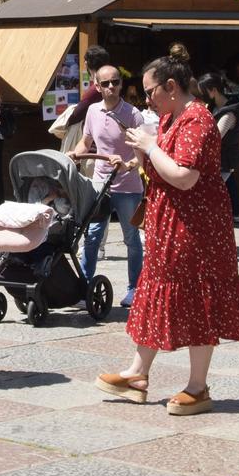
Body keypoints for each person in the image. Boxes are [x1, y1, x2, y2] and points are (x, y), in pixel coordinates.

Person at [95, 55, 239, 417]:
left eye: (150, 90)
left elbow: (185, 176)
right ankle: (137, 374)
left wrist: (151, 147)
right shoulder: (171, 117)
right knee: (155, 288)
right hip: (172, 222)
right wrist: (139, 154)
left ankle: (198, 388)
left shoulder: (197, 120)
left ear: (171, 86)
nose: (146, 99)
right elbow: (165, 167)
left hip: (197, 228)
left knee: (198, 297)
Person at [70, 62, 145, 306]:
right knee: (91, 237)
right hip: (100, 184)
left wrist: (127, 164)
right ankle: (84, 287)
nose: (112, 86)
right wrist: (74, 154)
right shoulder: (92, 111)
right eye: (106, 83)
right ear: (97, 86)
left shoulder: (133, 114)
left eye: (116, 82)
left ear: (121, 84)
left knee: (131, 239)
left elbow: (142, 155)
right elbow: (86, 141)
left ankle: (135, 289)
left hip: (128, 187)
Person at [197, 71, 239, 216]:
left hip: (223, 162)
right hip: (216, 161)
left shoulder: (229, 113)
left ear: (213, 91)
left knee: (208, 197)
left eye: (203, 92)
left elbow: (214, 137)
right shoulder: (215, 107)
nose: (201, 96)